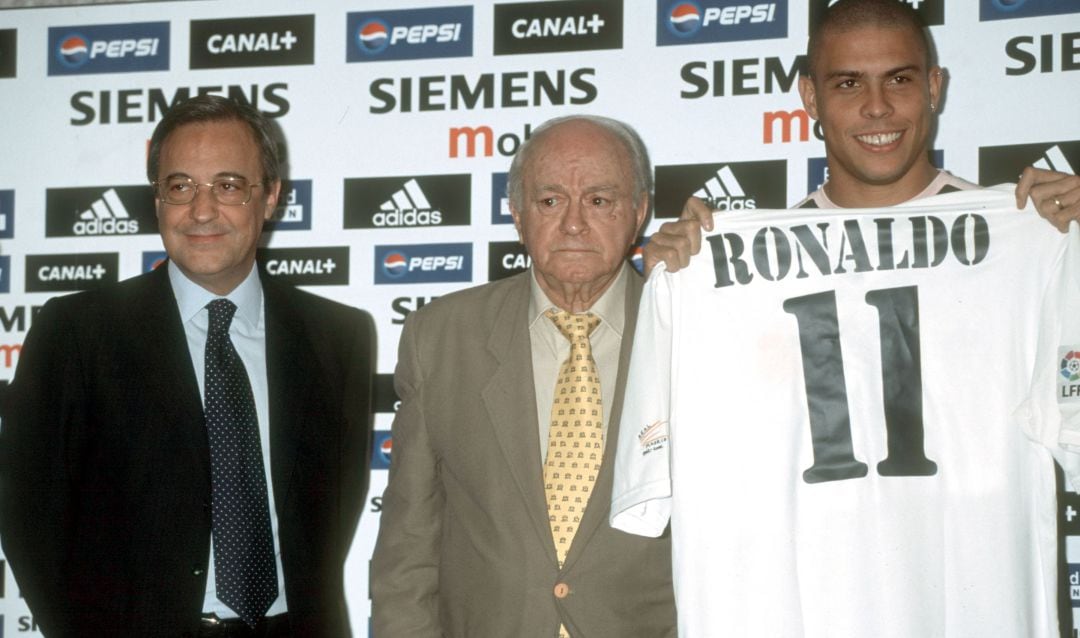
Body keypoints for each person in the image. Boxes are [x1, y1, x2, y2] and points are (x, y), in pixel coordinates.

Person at [0, 95, 375, 637]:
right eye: (180, 187)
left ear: (268, 196)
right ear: (157, 199)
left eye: (227, 186)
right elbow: (28, 515)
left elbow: (336, 509)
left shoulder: (339, 336)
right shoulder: (77, 332)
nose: (201, 211)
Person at [370, 115, 677, 637]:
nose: (574, 223)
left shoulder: (690, 335)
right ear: (517, 214)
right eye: (550, 201)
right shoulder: (441, 338)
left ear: (639, 211)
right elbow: (408, 552)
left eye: (600, 200)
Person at [644, 0, 1080, 274]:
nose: (877, 107)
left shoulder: (1030, 236)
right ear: (811, 98)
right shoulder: (753, 261)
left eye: (899, 80)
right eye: (849, 84)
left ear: (933, 88)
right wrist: (677, 281)